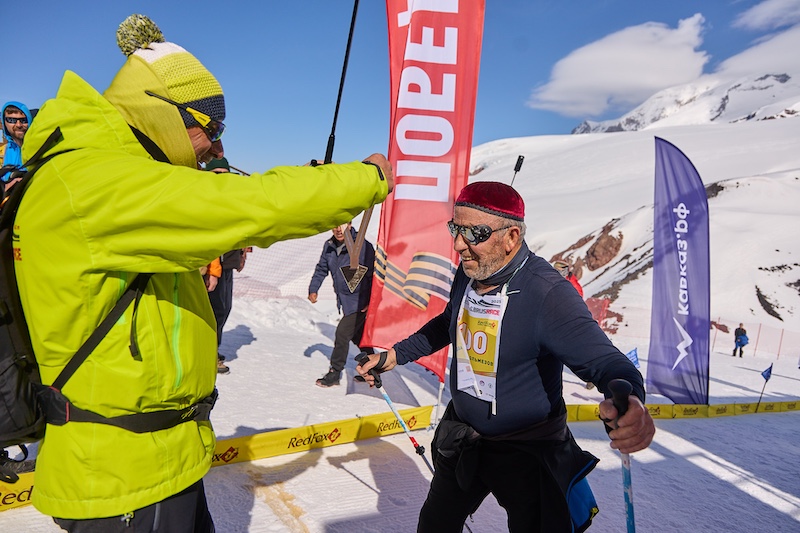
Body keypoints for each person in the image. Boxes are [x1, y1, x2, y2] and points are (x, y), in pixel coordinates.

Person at [15, 14, 392, 533]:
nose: (216, 148)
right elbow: (246, 205)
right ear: (163, 111)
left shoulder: (96, 173)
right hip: (124, 476)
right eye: (212, 130)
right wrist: (364, 179)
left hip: (153, 457)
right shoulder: (93, 182)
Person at [358, 182, 655, 532]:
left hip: (527, 451)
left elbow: (606, 362)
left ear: (511, 236)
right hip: (465, 439)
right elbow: (450, 320)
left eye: (474, 233)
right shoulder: (471, 269)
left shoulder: (547, 293)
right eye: (455, 228)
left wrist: (631, 401)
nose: (458, 245)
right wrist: (396, 355)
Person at [309, 221, 375, 387]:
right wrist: (313, 289)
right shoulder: (329, 245)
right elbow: (321, 269)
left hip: (360, 303)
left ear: (350, 224)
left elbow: (374, 274)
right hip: (345, 302)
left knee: (342, 334)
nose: (338, 229)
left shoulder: (362, 246)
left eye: (342, 225)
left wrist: (371, 301)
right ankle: (372, 369)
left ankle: (335, 372)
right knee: (359, 337)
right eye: (334, 225)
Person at [204, 156, 249, 374]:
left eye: (225, 173)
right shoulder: (207, 198)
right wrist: (212, 269)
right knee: (214, 310)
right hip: (213, 265)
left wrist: (243, 253)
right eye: (217, 173)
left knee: (224, 308)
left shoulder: (230, 197)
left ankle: (212, 349)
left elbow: (241, 226)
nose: (222, 177)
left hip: (228, 263)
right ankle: (208, 355)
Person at [1, 101, 33, 190]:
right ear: (4, 122)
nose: (18, 125)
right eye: (12, 120)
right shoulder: (2, 152)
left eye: (23, 120)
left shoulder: (39, 148)